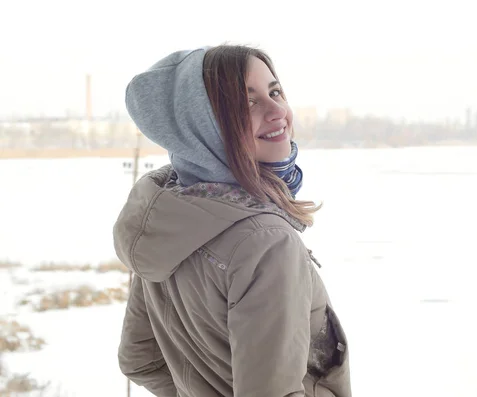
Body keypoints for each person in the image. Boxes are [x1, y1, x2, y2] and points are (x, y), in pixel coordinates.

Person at [113, 45, 352, 397]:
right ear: (204, 128)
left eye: (274, 92)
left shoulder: (170, 219)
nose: (278, 111)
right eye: (247, 103)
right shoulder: (266, 242)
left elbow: (140, 359)